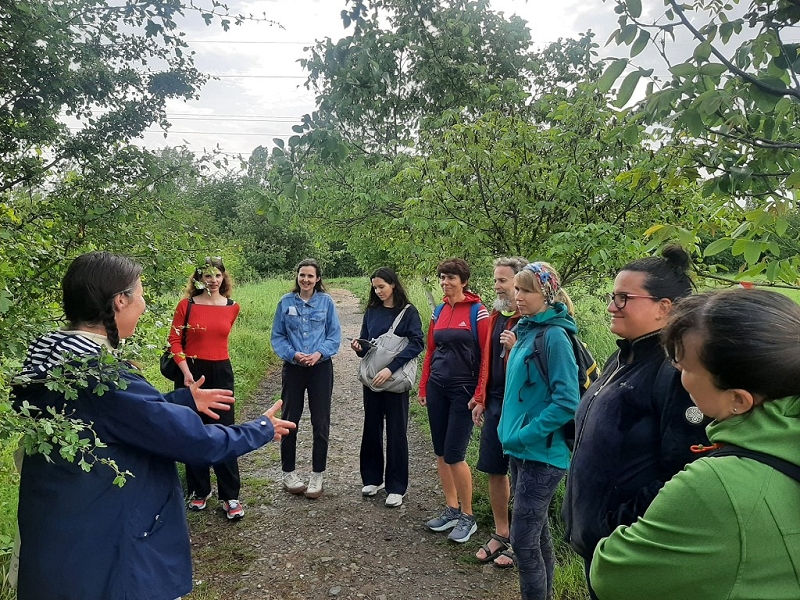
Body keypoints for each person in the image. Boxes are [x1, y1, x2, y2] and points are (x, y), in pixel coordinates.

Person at [11, 251, 294, 600]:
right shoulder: (102, 376)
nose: (143, 305)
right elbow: (194, 441)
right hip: (108, 555)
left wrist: (184, 399)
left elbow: (121, 417)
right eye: (140, 295)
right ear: (119, 301)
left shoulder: (53, 361)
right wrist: (260, 429)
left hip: (60, 543)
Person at [591, 287, 800, 599]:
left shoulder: (718, 485)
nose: (677, 371)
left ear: (738, 400)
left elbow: (611, 573)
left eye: (687, 367)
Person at [561, 245, 710, 599]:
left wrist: (619, 524)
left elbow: (685, 471)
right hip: (595, 542)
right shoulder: (622, 357)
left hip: (629, 550)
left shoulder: (676, 371)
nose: (612, 306)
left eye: (624, 298)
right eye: (613, 296)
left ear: (664, 307)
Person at [496, 262, 580, 600]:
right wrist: (512, 434)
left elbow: (566, 401)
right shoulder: (528, 330)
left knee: (523, 542)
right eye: (516, 289)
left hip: (542, 454)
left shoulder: (555, 336)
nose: (518, 297)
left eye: (526, 290)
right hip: (521, 449)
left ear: (545, 293)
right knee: (538, 535)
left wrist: (524, 433)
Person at [167, 256, 244, 519]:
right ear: (199, 278)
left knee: (223, 431)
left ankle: (230, 495)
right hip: (191, 372)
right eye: (207, 275)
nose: (213, 280)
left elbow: (219, 340)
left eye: (217, 275)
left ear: (224, 278)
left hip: (221, 371)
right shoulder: (186, 305)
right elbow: (174, 341)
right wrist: (186, 372)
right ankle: (199, 490)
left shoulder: (232, 307)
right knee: (192, 431)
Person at [420, 258, 489, 543]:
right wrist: (423, 387)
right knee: (440, 451)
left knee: (455, 454)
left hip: (464, 391)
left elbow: (486, 356)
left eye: (450, 278)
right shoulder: (438, 311)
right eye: (442, 277)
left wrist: (480, 393)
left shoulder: (477, 312)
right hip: (437, 386)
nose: (444, 283)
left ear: (463, 281)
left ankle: (468, 516)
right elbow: (430, 352)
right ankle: (451, 508)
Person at [468, 256, 528, 567]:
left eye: (502, 280)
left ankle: (523, 539)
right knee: (495, 468)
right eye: (496, 280)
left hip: (521, 408)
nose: (497, 285)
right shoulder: (496, 316)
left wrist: (517, 346)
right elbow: (486, 362)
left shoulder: (532, 320)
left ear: (520, 283)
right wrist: (480, 398)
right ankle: (502, 532)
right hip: (494, 403)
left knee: (522, 475)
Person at [351, 267, 424, 507]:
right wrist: (359, 348)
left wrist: (391, 368)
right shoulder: (371, 311)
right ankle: (372, 478)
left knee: (396, 431)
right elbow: (366, 344)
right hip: (373, 379)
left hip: (395, 380)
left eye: (382, 286)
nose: (378, 291)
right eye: (375, 287)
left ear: (393, 284)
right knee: (371, 427)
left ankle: (396, 486)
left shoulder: (409, 312)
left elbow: (417, 344)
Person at [271, 258, 342, 499]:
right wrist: (293, 355)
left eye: (310, 276)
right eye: (302, 275)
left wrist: (318, 353)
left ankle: (317, 474)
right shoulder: (285, 302)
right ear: (297, 276)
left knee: (320, 421)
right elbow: (278, 336)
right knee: (290, 419)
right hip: (293, 368)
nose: (306, 280)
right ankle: (288, 473)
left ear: (318, 279)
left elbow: (334, 335)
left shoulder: (326, 302)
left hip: (320, 368)